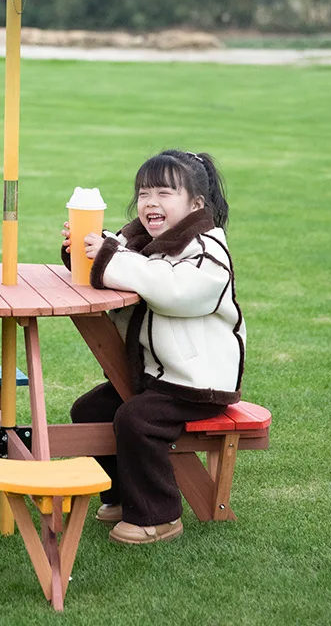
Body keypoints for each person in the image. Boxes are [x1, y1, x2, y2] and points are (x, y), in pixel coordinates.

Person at [61, 149, 245, 545]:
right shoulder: (143, 242)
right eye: (144, 193)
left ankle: (159, 516)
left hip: (197, 380)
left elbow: (169, 289)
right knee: (89, 410)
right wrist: (84, 251)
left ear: (196, 204)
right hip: (157, 375)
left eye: (164, 193)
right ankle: (123, 496)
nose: (150, 202)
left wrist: (110, 257)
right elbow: (123, 261)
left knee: (137, 420)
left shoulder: (207, 252)